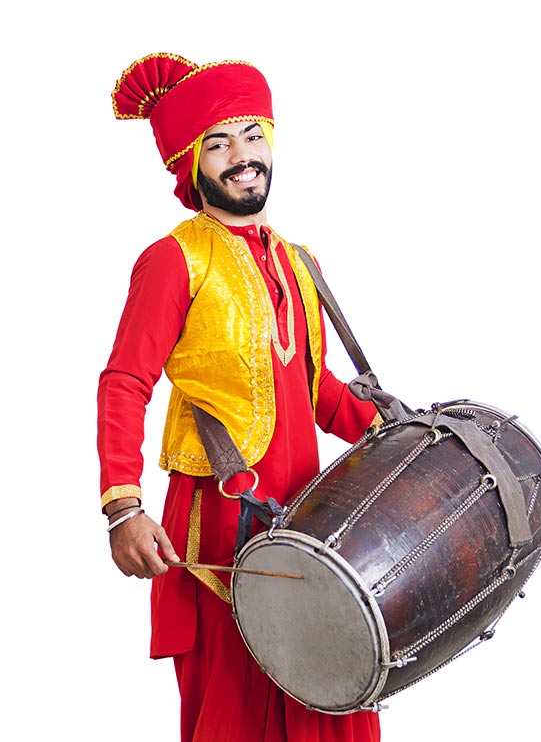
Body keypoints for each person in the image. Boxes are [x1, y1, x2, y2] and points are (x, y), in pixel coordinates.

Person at [98, 53, 382, 742]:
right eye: (218, 143)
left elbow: (313, 389)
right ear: (189, 164)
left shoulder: (298, 260)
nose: (242, 156)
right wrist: (122, 507)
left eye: (253, 135)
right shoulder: (175, 258)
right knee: (235, 717)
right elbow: (125, 382)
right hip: (219, 529)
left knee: (337, 694)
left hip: (315, 520)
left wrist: (399, 434)